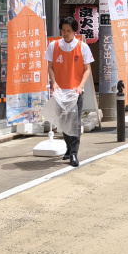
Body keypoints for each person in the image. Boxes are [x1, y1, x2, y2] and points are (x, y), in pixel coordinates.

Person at [45, 17, 94, 166]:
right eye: (63, 30)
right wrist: (54, 83)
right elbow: (50, 68)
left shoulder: (82, 47)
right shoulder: (53, 46)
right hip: (60, 92)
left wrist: (80, 86)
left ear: (74, 32)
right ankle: (68, 147)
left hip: (75, 92)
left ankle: (74, 153)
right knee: (63, 121)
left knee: (75, 122)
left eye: (68, 31)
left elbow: (87, 70)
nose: (65, 33)